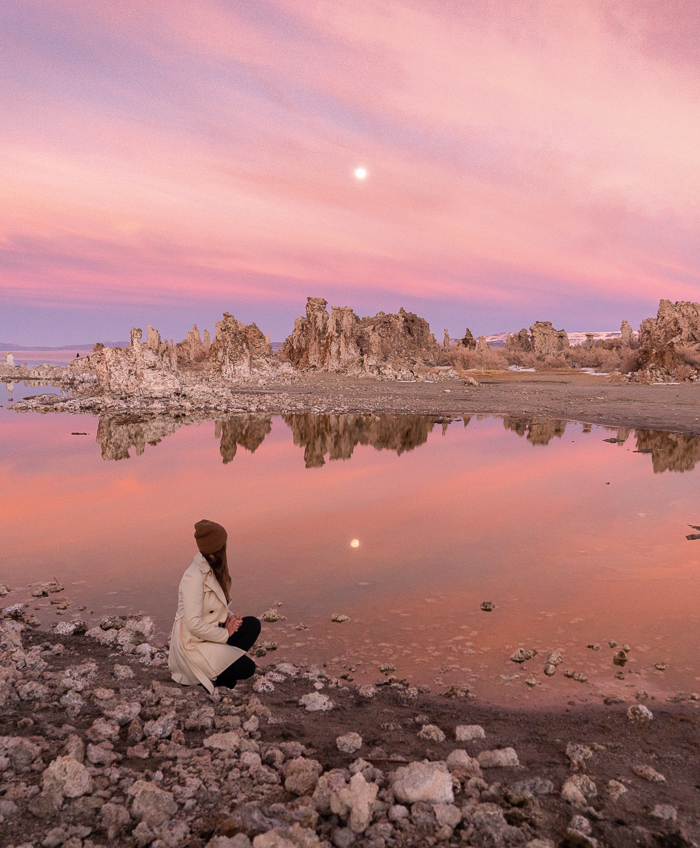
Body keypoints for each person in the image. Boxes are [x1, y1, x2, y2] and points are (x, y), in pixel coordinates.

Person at [169, 519, 261, 693]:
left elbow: (213, 607)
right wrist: (225, 633)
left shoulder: (213, 567)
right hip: (192, 646)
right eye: (223, 543)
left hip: (210, 634)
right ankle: (218, 679)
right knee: (247, 668)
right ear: (217, 547)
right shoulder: (194, 577)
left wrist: (231, 618)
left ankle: (221, 668)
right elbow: (193, 624)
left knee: (251, 625)